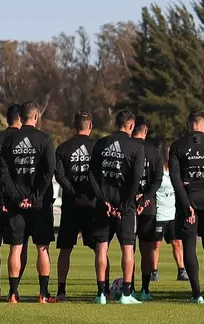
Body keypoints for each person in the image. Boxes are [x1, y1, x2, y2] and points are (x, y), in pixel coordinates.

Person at [0, 100, 57, 303]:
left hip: (15, 207)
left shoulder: (9, 142)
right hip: (39, 206)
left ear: (20, 118)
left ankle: (12, 294)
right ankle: (43, 294)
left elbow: (3, 173)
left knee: (16, 249)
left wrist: (16, 197)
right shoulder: (45, 140)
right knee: (42, 248)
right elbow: (49, 172)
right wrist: (35, 197)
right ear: (36, 116)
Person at [88, 109, 145, 305]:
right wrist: (125, 204)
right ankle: (127, 294)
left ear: (116, 123)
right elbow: (135, 180)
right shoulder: (136, 147)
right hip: (125, 206)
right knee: (127, 249)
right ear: (130, 125)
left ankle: (101, 293)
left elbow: (92, 176)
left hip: (103, 205)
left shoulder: (101, 144)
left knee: (101, 248)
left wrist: (103, 200)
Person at [169, 110, 204, 303]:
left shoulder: (177, 146)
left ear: (189, 124)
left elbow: (175, 179)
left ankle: (196, 294)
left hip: (187, 203)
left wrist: (188, 200)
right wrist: (202, 185)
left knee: (190, 247)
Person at [0, 104, 26, 300]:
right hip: (16, 203)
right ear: (21, 119)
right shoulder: (21, 140)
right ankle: (14, 290)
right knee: (18, 247)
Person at [53, 110, 96, 302]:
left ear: (74, 125)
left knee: (65, 249)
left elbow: (59, 175)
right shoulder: (97, 148)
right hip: (93, 205)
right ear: (90, 126)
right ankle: (102, 290)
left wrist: (72, 190)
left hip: (70, 206)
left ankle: (61, 291)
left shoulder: (63, 148)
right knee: (100, 248)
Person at [133, 119, 165, 301]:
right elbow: (158, 179)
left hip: (128, 205)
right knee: (146, 250)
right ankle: (145, 290)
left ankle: (127, 288)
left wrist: (134, 198)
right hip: (148, 207)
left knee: (127, 249)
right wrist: (145, 198)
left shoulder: (126, 147)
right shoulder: (154, 151)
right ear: (145, 131)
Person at [144, 138, 176, 293]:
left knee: (178, 243)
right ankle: (154, 271)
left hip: (173, 213)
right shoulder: (160, 172)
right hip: (160, 212)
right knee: (156, 244)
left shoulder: (177, 171)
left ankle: (182, 270)